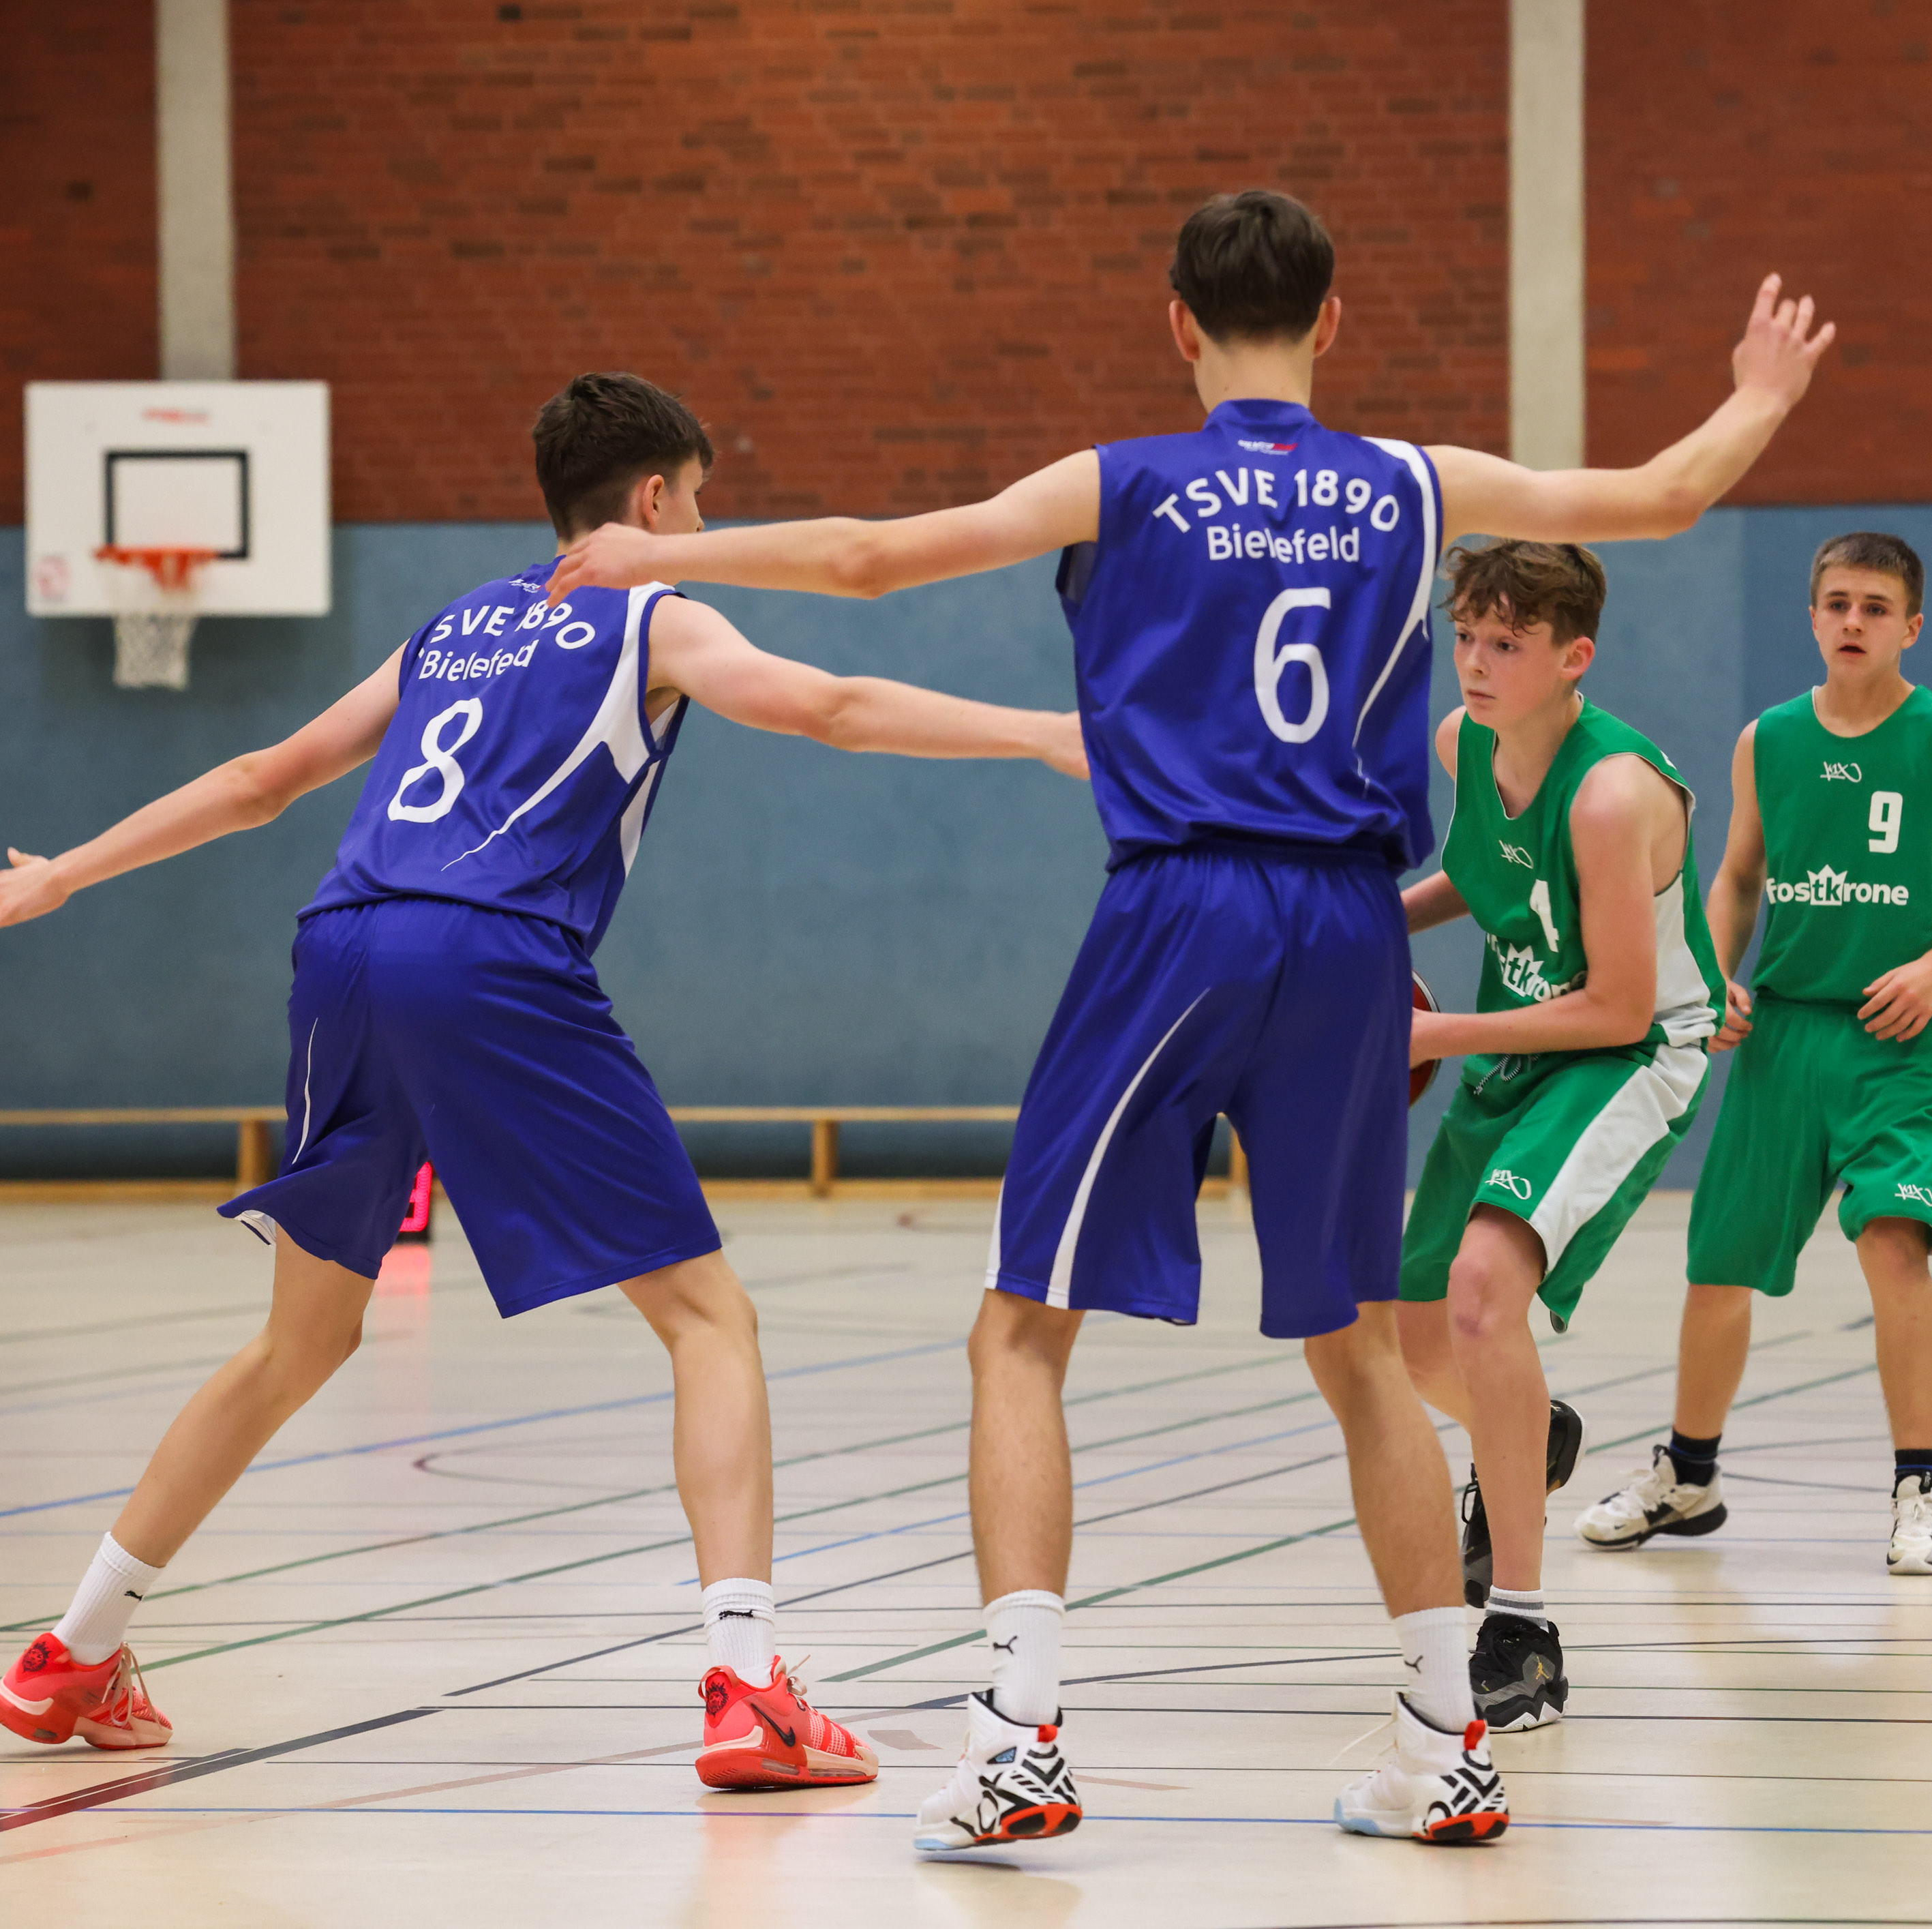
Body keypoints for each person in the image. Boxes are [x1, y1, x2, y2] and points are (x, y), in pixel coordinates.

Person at [547, 189, 1835, 1851]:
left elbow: (869, 557)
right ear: (1333, 320)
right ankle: (1444, 1744)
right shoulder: (1411, 480)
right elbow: (1662, 495)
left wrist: (665, 554)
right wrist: (1760, 393)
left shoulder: (1126, 478)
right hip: (1350, 923)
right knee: (1356, 1343)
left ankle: (1020, 1736)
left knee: (1023, 1328)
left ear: (1178, 324)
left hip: (1185, 907)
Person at [0, 372, 1085, 1795]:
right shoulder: (657, 613)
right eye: (698, 499)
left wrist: (66, 871)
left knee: (298, 1341)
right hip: (486, 954)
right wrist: (1040, 731)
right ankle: (747, 1687)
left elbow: (261, 776)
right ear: (652, 498)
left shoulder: (452, 626)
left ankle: (73, 1648)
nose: (699, 522)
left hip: (342, 949)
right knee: (708, 1316)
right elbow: (832, 706)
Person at [1576, 533, 1932, 1578]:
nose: (1852, 621)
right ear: (1813, 614)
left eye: (1874, 606)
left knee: (1894, 1242)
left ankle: (1917, 1489)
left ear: (1911, 625)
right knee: (1719, 1262)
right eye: (1836, 602)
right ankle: (1688, 1475)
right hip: (1781, 1033)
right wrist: (1709, 975)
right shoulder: (1767, 739)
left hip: (1895, 1039)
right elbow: (1738, 876)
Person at [1393, 539, 1725, 1732]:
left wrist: (1435, 1035)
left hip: (1630, 1047)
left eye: (1507, 643)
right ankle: (1528, 1432)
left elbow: (1620, 1007)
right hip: (1523, 1039)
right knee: (1410, 1333)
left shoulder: (1612, 793)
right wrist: (1368, 922)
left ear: (1573, 656)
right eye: (1465, 637)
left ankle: (1523, 1630)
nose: (1475, 663)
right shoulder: (1465, 742)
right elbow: (1486, 877)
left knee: (1485, 1290)